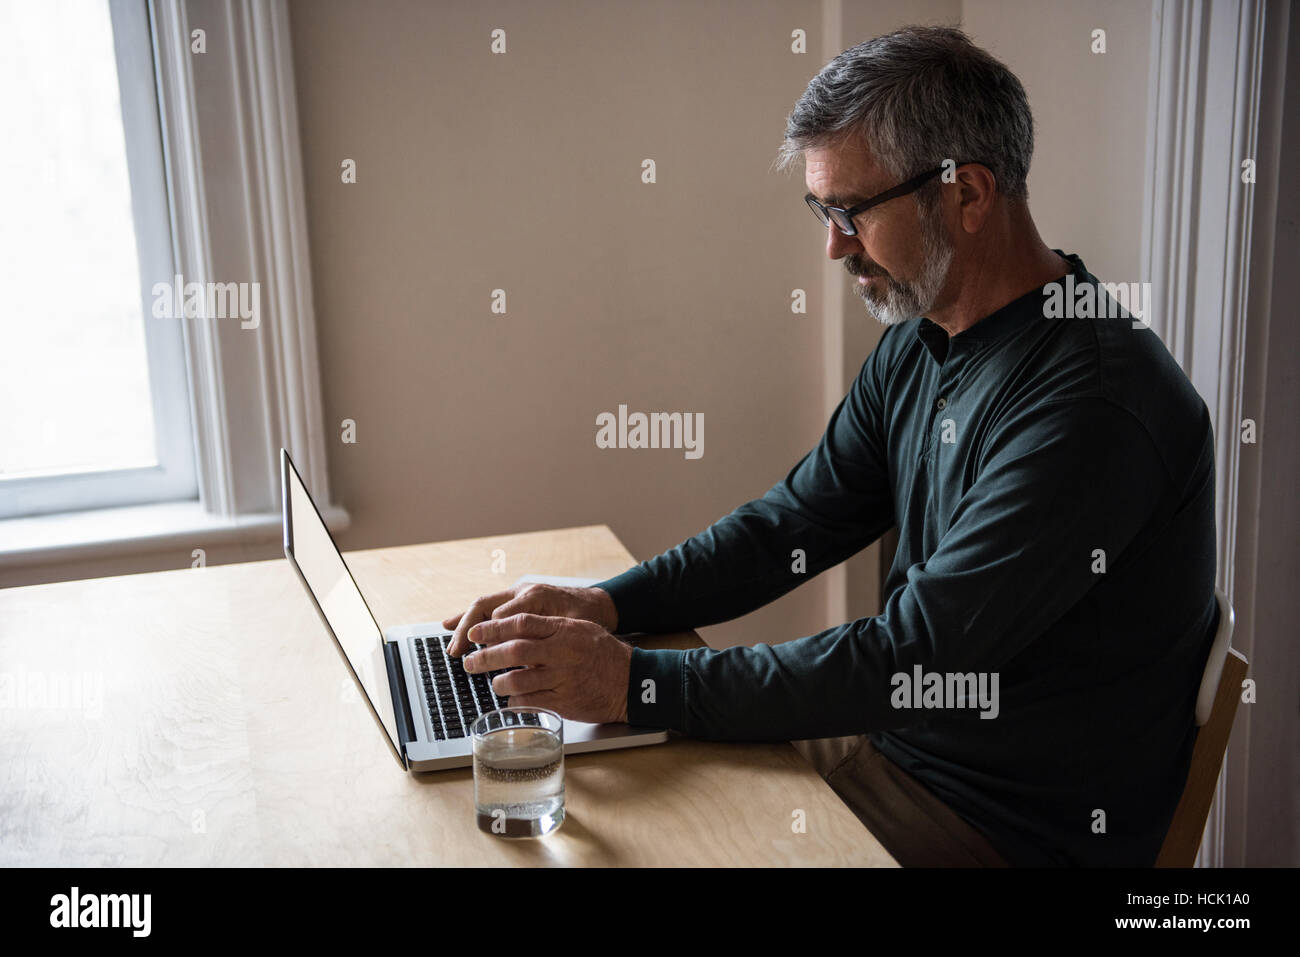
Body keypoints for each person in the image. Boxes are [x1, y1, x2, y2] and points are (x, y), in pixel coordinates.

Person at [445, 25, 1219, 867]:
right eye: (823, 210)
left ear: (969, 194)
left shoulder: (1092, 410)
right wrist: (610, 604)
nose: (833, 245)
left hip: (1003, 825)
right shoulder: (926, 332)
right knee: (592, 808)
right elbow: (793, 523)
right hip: (896, 747)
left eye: (852, 211)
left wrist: (633, 682)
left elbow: (911, 652)